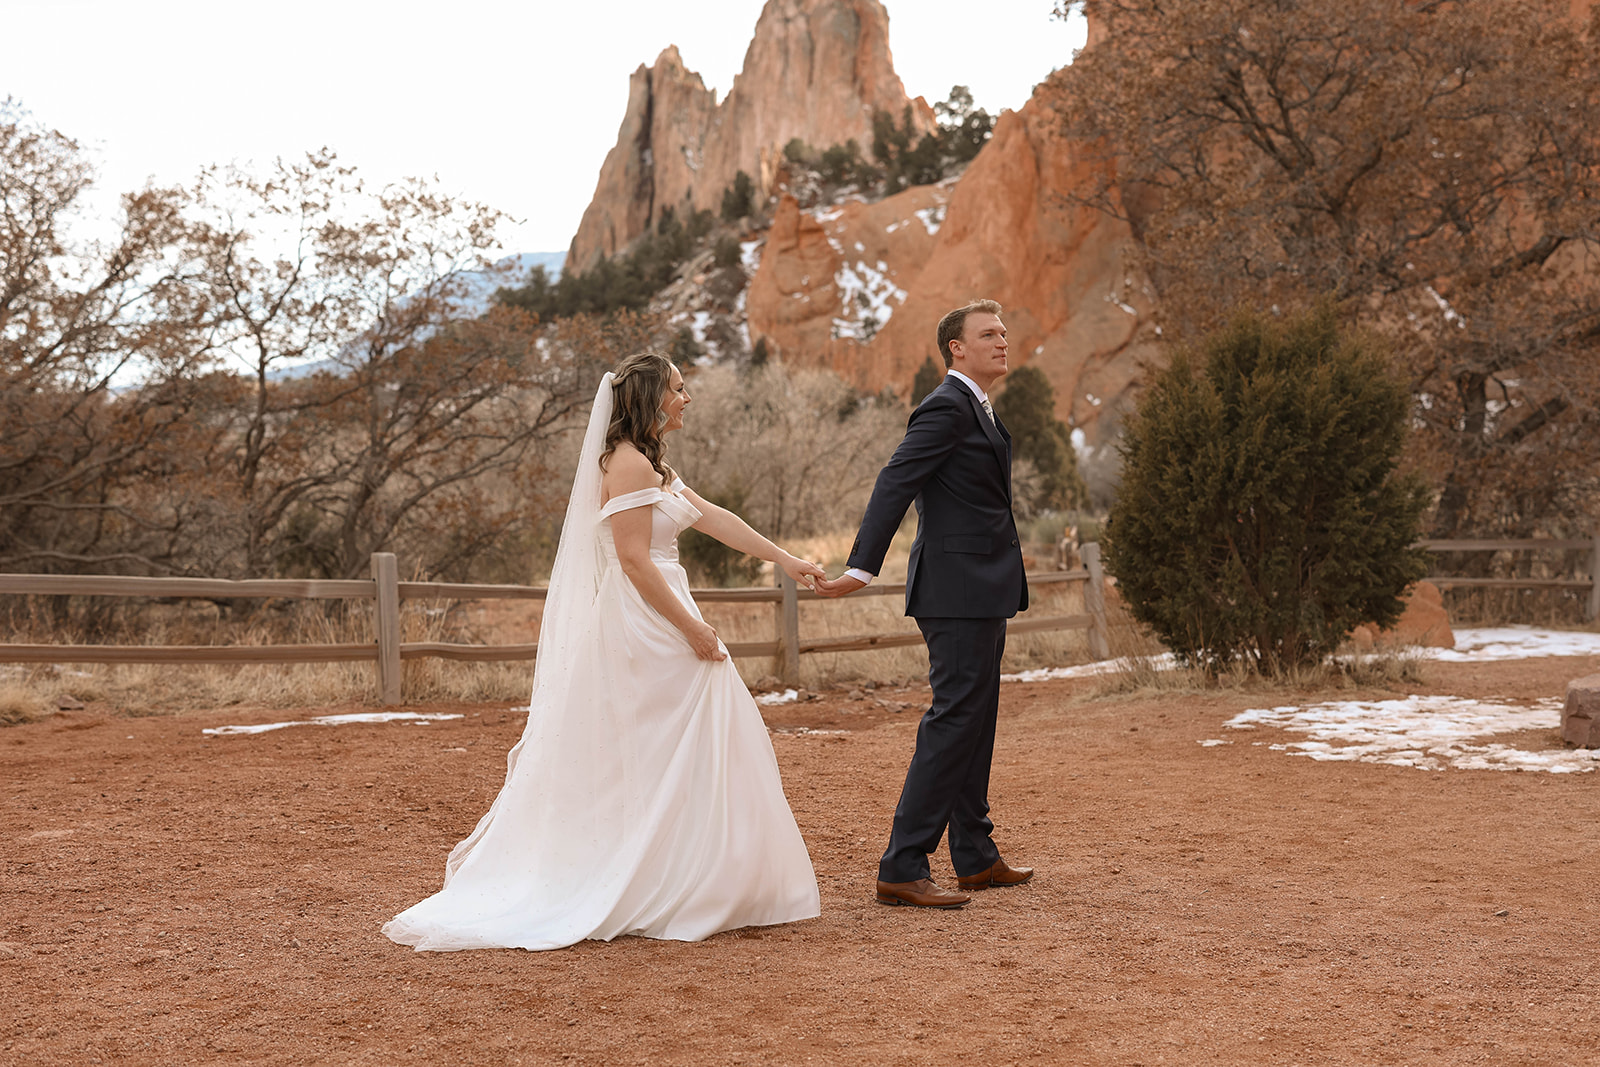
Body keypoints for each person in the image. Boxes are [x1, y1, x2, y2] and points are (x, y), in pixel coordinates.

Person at [383, 352, 824, 951]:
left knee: (688, 739)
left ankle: (696, 875)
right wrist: (692, 631)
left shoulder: (652, 464)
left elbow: (715, 518)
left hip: (662, 608)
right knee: (669, 738)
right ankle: (663, 878)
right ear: (650, 399)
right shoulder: (629, 464)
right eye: (678, 389)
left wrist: (786, 561)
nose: (687, 398)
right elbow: (636, 562)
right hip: (646, 620)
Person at [815, 299, 1031, 909]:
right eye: (989, 334)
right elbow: (895, 481)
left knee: (975, 720)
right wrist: (861, 566)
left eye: (1004, 332)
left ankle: (976, 856)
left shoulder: (977, 408)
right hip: (954, 591)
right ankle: (903, 863)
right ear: (956, 348)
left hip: (983, 588)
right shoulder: (944, 405)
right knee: (955, 718)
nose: (1002, 341)